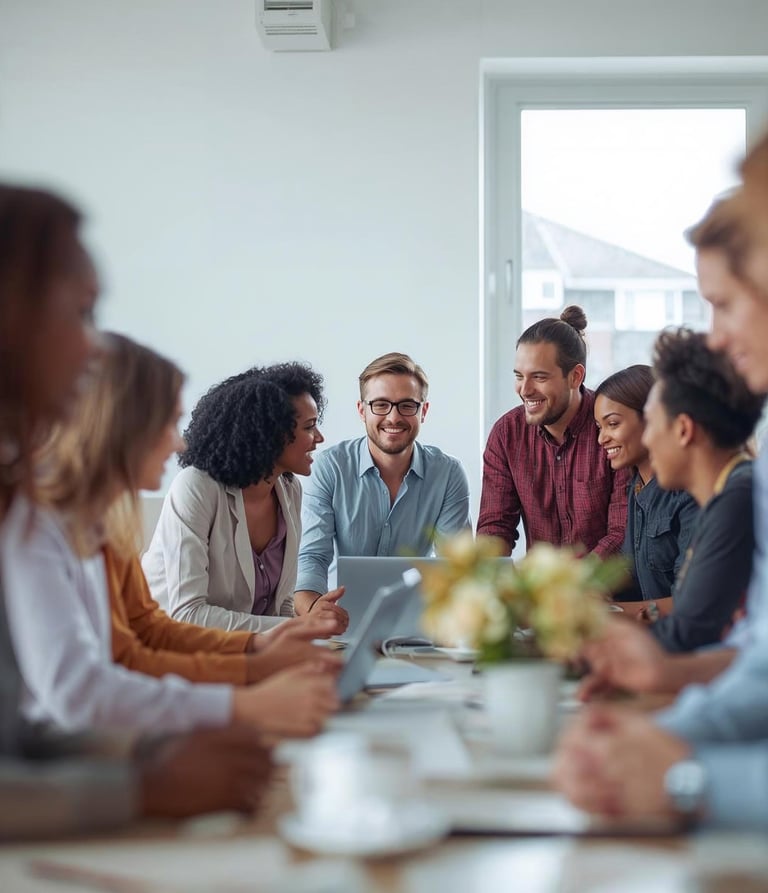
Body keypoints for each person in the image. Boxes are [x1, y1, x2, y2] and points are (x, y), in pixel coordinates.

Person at [0, 184, 270, 837]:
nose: (96, 349)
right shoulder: (36, 521)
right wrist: (144, 782)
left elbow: (29, 734)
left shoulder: (22, 500)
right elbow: (84, 686)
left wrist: (160, 751)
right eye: (81, 312)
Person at [553, 177, 768, 829]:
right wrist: (667, 723)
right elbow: (761, 669)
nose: (719, 338)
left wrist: (684, 779)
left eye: (724, 305)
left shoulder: (737, 493)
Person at [2, 331, 340, 740]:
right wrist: (247, 690)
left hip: (117, 727)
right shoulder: (35, 527)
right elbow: (92, 683)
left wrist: (265, 649)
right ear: (122, 426)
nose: (179, 441)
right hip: (71, 751)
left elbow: (146, 634)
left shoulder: (108, 520)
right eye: (168, 423)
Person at [143, 364, 347, 634]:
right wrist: (298, 626)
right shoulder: (197, 486)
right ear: (271, 434)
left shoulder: (289, 490)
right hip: (173, 651)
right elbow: (188, 615)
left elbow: (281, 605)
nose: (319, 438)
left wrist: (304, 633)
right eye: (309, 427)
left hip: (245, 652)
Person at [294, 352, 471, 612]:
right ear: (361, 411)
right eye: (380, 405)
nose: (393, 417)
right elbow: (312, 557)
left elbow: (456, 567)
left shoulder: (448, 474)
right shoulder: (331, 467)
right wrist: (313, 613)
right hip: (338, 617)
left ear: (423, 411)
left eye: (407, 405)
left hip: (417, 619)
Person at [477, 306, 629, 557]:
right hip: (540, 592)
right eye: (519, 376)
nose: (524, 390)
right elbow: (495, 528)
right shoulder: (506, 435)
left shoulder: (611, 428)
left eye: (539, 377)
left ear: (575, 376)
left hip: (607, 591)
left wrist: (569, 585)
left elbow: (621, 533)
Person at [594, 364, 698, 611]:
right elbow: (634, 575)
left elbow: (689, 607)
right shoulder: (636, 488)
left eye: (613, 424)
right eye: (599, 427)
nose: (602, 438)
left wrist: (608, 616)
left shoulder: (688, 494)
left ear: (652, 419)